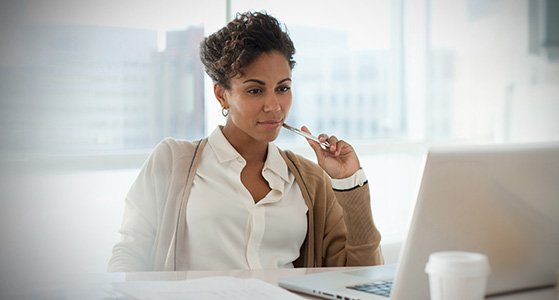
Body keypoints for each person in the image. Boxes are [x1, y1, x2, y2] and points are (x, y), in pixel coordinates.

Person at [108, 11, 383, 272]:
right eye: (255, 90)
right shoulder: (172, 161)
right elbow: (130, 255)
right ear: (222, 95)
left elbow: (359, 278)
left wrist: (348, 182)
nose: (274, 106)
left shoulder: (310, 181)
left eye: (283, 88)